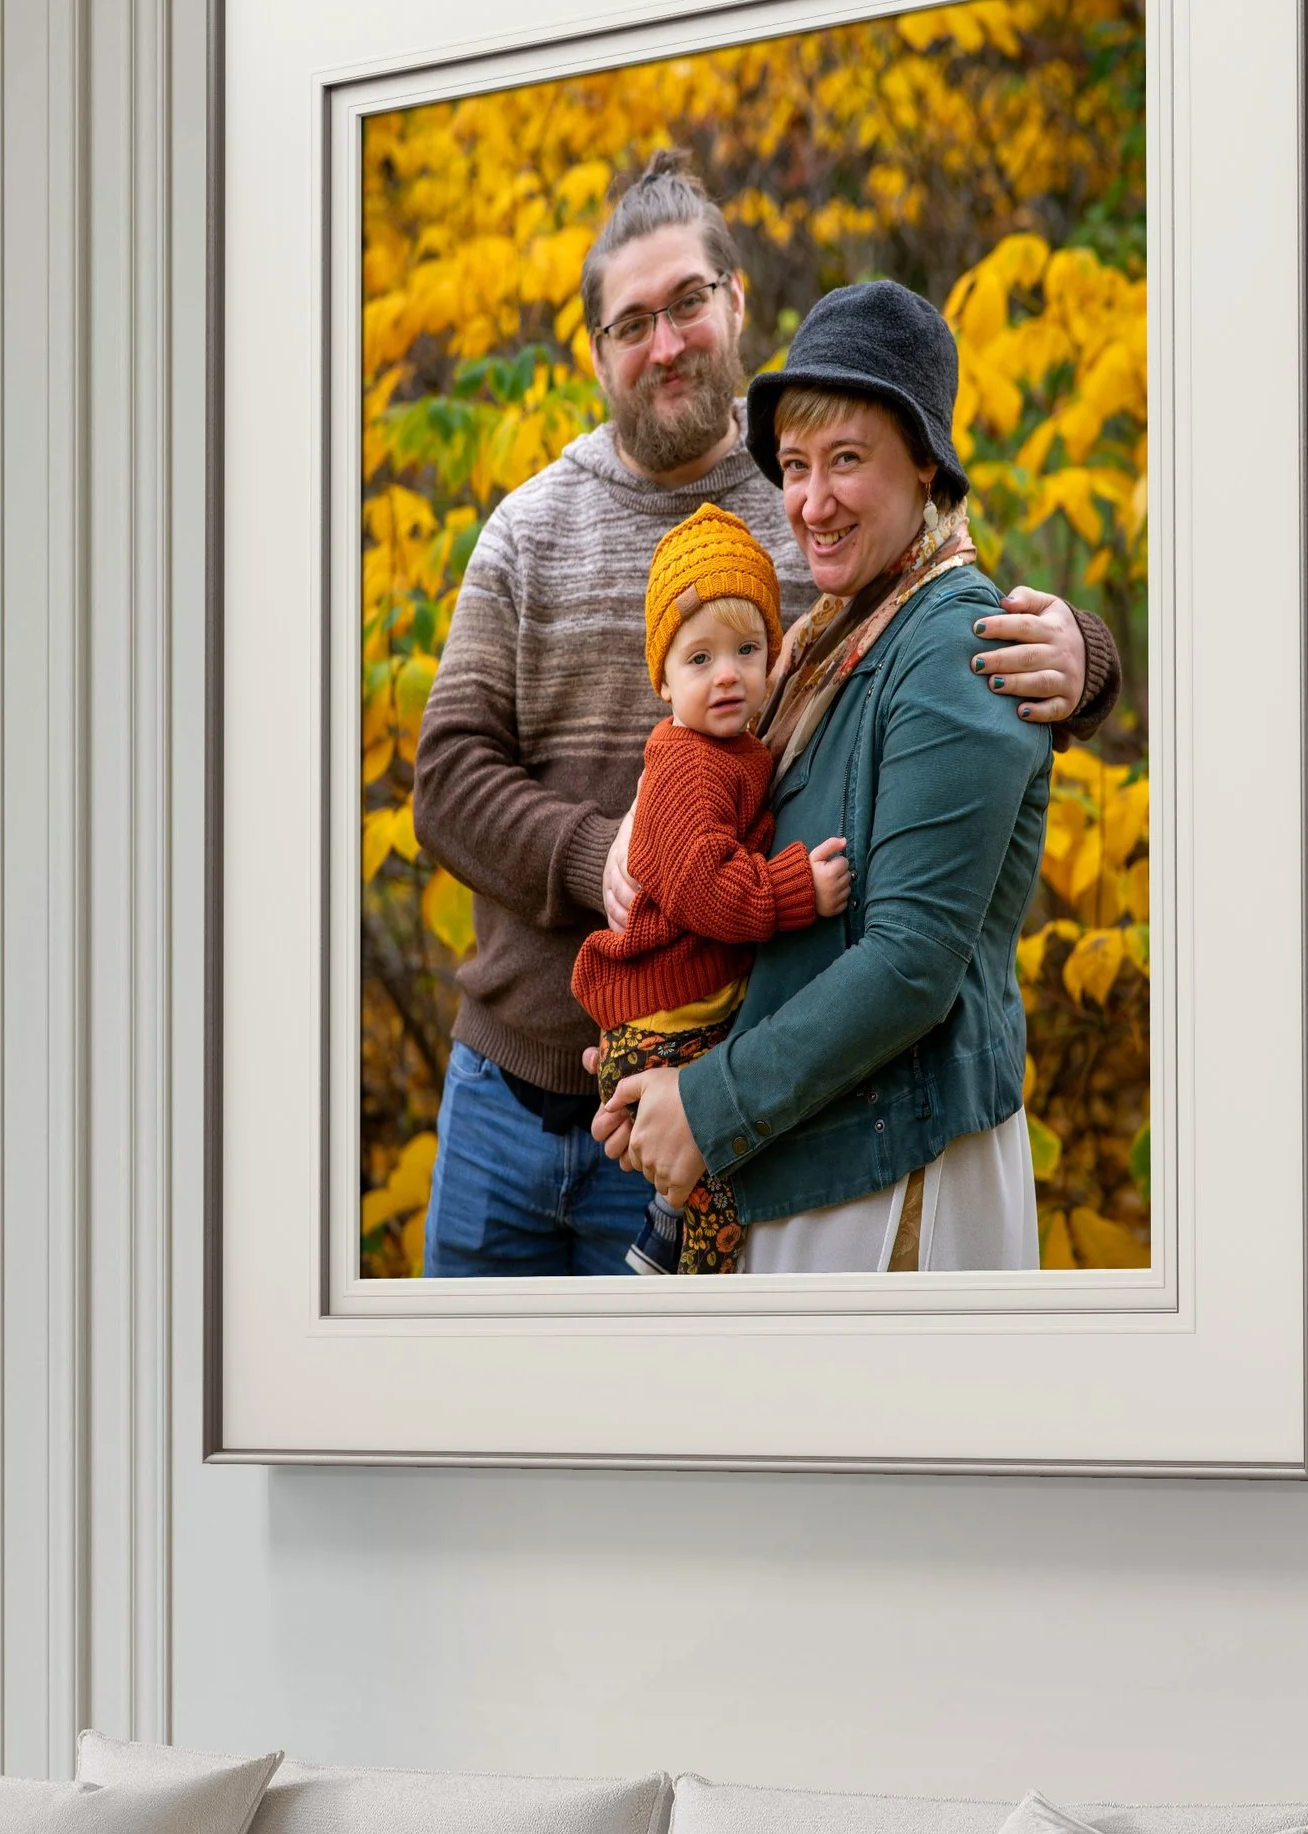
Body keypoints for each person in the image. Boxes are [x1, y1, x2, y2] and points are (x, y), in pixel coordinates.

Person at [409, 152, 1119, 1277]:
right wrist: (606, 854)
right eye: (630, 320)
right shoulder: (530, 527)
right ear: (595, 352)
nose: (667, 340)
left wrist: (1083, 658)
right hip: (518, 1079)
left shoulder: (805, 505)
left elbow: (944, 623)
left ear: (735, 300)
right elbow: (443, 779)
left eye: (688, 301)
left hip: (719, 1083)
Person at [592, 277, 1061, 1272]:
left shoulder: (952, 644)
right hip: (815, 1150)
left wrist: (708, 1104)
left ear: (923, 464)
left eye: (846, 460)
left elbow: (910, 962)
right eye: (795, 465)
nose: (811, 500)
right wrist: (667, 1044)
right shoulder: (827, 641)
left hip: (900, 1177)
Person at [570, 507, 852, 1275]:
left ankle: (667, 1234)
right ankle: (688, 1275)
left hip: (677, 1012)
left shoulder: (733, 749)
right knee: (721, 1159)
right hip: (662, 1017)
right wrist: (797, 889)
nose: (727, 672)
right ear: (662, 679)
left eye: (746, 649)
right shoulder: (690, 765)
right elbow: (706, 890)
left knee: (713, 1137)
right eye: (700, 658)